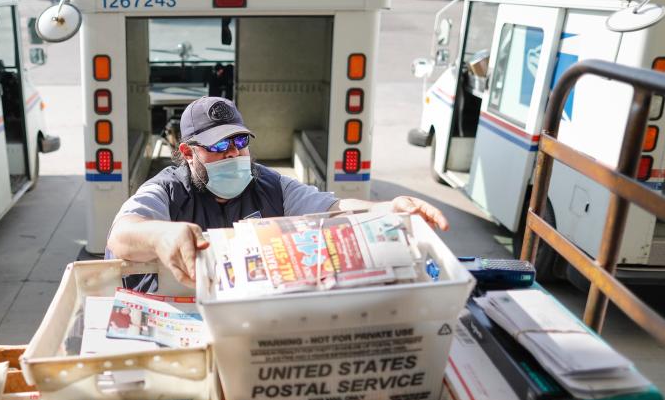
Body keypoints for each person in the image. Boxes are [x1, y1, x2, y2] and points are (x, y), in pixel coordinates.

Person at [107, 96, 449, 286]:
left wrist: (387, 208)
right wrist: (161, 237)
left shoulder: (271, 185)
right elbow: (121, 235)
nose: (233, 153)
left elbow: (334, 209)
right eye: (218, 145)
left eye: (240, 141)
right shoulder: (167, 190)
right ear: (187, 152)